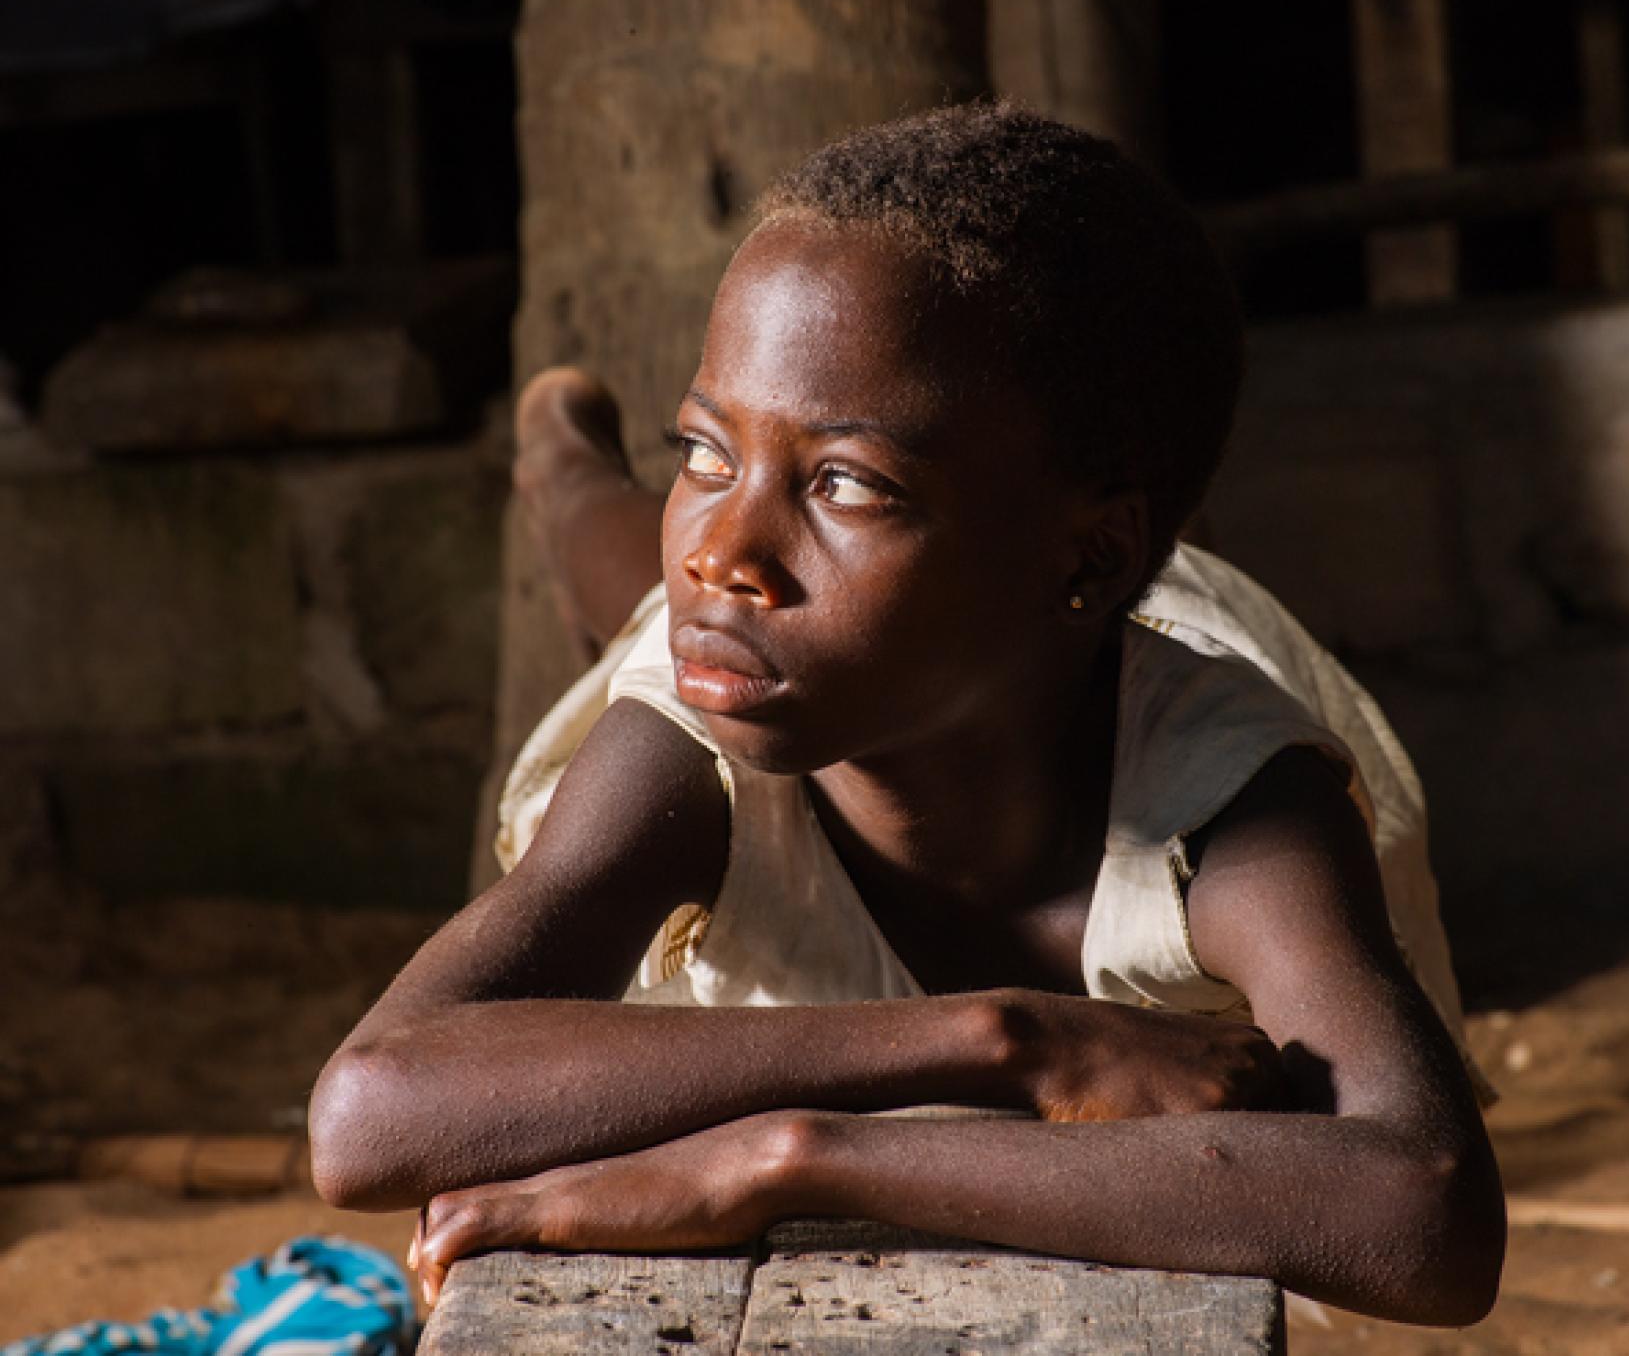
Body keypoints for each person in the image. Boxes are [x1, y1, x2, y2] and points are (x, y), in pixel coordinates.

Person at [309, 102, 1505, 1327]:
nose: (725, 547)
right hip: (901, 654)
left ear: (1088, 554)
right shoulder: (692, 729)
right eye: (700, 448)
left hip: (1073, 645)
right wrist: (1004, 1040)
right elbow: (368, 1115)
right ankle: (567, 467)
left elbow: (1426, 1216)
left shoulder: (1235, 801)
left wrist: (784, 1156)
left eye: (850, 482)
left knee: (718, 602)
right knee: (639, 592)